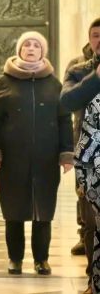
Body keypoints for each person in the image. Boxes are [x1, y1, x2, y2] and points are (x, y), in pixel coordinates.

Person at [0, 31, 73, 276]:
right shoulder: (5, 82)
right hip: (12, 158)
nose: (31, 48)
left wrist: (66, 152)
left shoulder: (53, 84)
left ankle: (41, 260)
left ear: (43, 52)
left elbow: (64, 119)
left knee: (43, 210)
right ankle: (15, 259)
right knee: (14, 209)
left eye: (36, 45)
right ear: (19, 50)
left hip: (46, 158)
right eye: (27, 45)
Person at [61, 18, 100, 294]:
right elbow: (67, 101)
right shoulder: (78, 70)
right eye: (96, 35)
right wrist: (96, 77)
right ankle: (93, 281)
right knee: (91, 222)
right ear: (89, 39)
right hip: (89, 159)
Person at [67, 42, 95, 260]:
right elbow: (68, 100)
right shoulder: (77, 65)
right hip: (86, 139)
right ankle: (84, 233)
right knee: (84, 193)